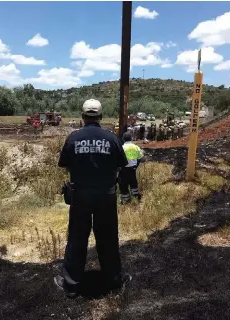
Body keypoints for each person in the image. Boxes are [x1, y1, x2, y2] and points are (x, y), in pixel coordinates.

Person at [55, 99, 132, 298]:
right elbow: (120, 165)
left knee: (77, 238)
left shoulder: (73, 138)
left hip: (80, 196)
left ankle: (71, 284)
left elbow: (66, 164)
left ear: (82, 117)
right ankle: (113, 279)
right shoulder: (112, 138)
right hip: (106, 196)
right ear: (100, 117)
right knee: (108, 237)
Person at [118, 132, 145, 204]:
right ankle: (136, 199)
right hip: (133, 169)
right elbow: (142, 158)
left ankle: (126, 201)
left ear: (123, 139)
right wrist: (136, 164)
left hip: (123, 170)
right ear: (131, 138)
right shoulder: (136, 147)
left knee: (123, 186)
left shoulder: (122, 148)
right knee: (134, 184)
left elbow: (118, 159)